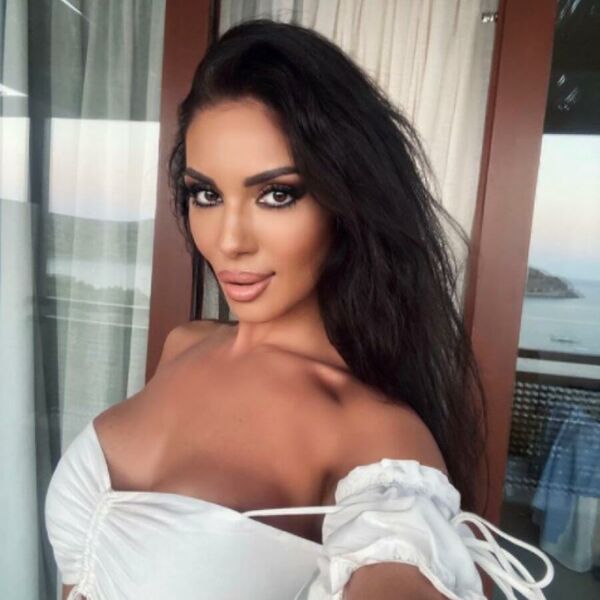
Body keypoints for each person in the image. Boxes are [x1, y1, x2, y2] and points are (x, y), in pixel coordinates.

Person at [45, 18, 554, 600]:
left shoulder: (376, 437)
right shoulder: (183, 345)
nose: (229, 240)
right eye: (206, 194)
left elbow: (397, 569)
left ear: (347, 200)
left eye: (276, 194)